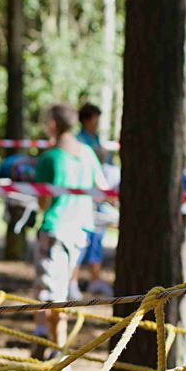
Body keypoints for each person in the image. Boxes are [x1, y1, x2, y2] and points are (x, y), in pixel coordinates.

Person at [31, 103, 103, 360]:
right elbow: (102, 186)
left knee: (52, 292)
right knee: (53, 288)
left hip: (55, 229)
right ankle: (42, 337)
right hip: (80, 230)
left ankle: (58, 350)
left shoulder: (50, 157)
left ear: (53, 124)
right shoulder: (87, 153)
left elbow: (42, 202)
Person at [74, 103, 114, 297]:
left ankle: (94, 280)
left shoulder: (96, 139)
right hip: (85, 198)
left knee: (97, 238)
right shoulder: (79, 142)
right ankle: (71, 282)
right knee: (81, 240)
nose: (97, 123)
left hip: (98, 198)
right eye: (95, 119)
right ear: (87, 119)